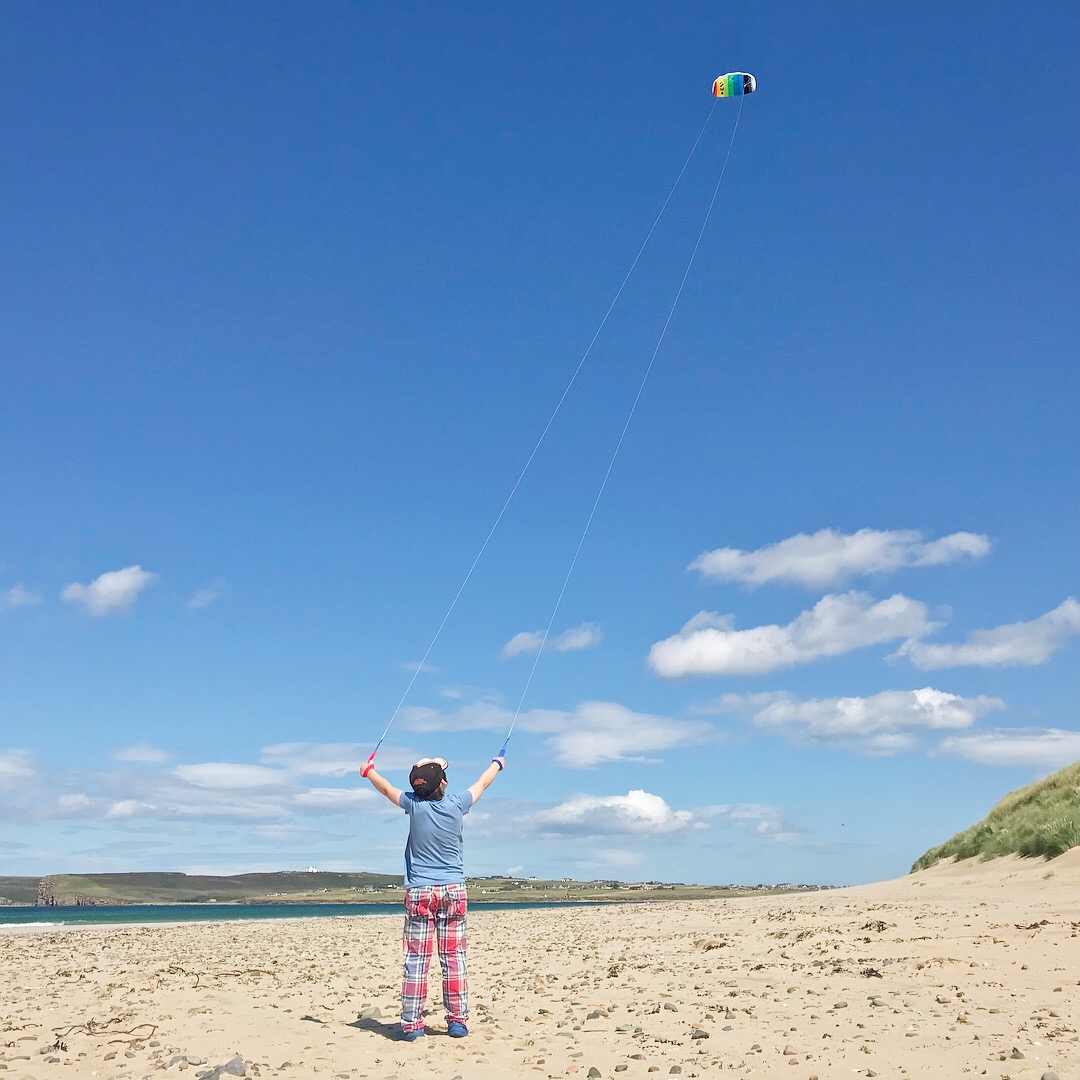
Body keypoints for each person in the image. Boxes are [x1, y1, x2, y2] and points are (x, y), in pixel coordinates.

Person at [362, 752, 504, 1041]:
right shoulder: (457, 803)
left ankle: (413, 1026)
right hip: (453, 890)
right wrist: (497, 763)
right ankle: (457, 1022)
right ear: (444, 784)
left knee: (416, 959)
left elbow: (387, 788)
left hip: (419, 892)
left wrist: (369, 772)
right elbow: (483, 782)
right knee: (454, 958)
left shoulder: (414, 805)